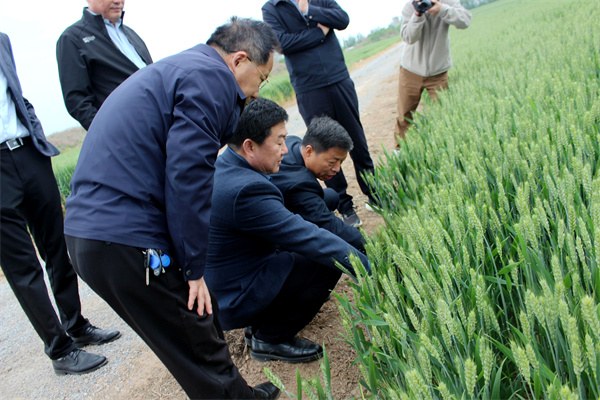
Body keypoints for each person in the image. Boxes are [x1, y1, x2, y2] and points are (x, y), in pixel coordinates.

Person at [64, 18, 280, 400]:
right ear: (239, 60)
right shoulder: (211, 78)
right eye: (261, 78)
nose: (257, 92)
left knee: (188, 337)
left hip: (91, 235)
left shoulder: (182, 68)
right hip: (124, 235)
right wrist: (195, 268)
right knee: (195, 330)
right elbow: (188, 174)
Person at [204, 98, 370, 364]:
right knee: (325, 260)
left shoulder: (228, 165)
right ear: (250, 146)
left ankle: (261, 322)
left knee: (320, 215)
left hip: (232, 273)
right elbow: (310, 237)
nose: (284, 149)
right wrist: (367, 268)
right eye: (278, 142)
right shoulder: (246, 189)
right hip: (233, 294)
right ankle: (269, 338)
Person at [0, 32, 120, 376]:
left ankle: (76, 325)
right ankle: (60, 350)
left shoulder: (3, 39)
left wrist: (33, 130)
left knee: (56, 246)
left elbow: (14, 95)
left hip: (27, 152)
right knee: (22, 266)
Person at [262, 0, 376, 228]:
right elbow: (282, 44)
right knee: (325, 148)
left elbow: (342, 19)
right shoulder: (271, 8)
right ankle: (345, 206)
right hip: (308, 87)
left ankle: (375, 194)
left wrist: (308, 10)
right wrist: (319, 32)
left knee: (356, 139)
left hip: (339, 77)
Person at [270, 116, 365, 253]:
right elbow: (333, 226)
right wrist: (372, 247)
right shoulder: (299, 183)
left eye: (341, 162)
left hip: (286, 203)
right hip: (270, 234)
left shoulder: (294, 143)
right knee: (330, 257)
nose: (337, 169)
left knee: (331, 196)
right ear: (309, 151)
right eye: (332, 162)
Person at [56, 0, 152, 131]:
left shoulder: (130, 33)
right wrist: (111, 133)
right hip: (128, 132)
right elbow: (77, 100)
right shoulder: (73, 38)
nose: (117, 1)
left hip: (159, 122)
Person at [394, 0, 471, 145]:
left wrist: (442, 9)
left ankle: (445, 147)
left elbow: (465, 21)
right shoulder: (410, 6)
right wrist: (418, 14)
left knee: (444, 115)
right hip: (411, 71)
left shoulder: (448, 2)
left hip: (438, 73)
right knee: (404, 116)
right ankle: (399, 152)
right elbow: (409, 37)